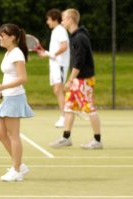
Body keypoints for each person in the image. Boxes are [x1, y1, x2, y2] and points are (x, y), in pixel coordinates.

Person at [49, 9, 103, 149]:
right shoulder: (75, 36)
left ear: (71, 19)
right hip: (77, 80)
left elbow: (79, 62)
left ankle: (97, 140)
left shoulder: (79, 38)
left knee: (90, 108)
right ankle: (66, 138)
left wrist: (70, 80)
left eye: (64, 19)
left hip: (84, 80)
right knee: (68, 107)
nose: (61, 22)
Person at [0, 23, 34, 182]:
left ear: (12, 38)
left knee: (13, 135)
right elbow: (10, 76)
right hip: (8, 96)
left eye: (2, 35)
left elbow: (23, 78)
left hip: (16, 97)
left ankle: (16, 170)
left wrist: (3, 87)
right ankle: (20, 165)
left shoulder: (17, 53)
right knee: (0, 133)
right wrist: (1, 91)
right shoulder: (9, 53)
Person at [37, 8, 70, 128]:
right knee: (58, 90)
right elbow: (55, 50)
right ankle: (70, 108)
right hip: (55, 65)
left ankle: (64, 117)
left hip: (60, 65)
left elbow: (64, 46)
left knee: (58, 90)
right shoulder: (56, 30)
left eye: (48, 19)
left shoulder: (60, 30)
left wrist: (50, 54)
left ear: (54, 19)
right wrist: (46, 53)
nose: (47, 22)